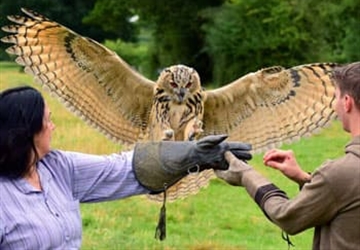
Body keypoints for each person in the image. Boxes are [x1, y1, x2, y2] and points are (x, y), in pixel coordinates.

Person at [0, 86, 252, 249]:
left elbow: (122, 168)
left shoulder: (58, 167)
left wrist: (194, 154)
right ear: (29, 131)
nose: (53, 127)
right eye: (48, 120)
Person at [216, 62, 360, 250]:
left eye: (336, 97)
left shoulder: (341, 174)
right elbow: (347, 196)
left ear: (347, 102)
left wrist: (246, 175)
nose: (334, 106)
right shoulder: (341, 178)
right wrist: (306, 179)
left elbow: (287, 216)